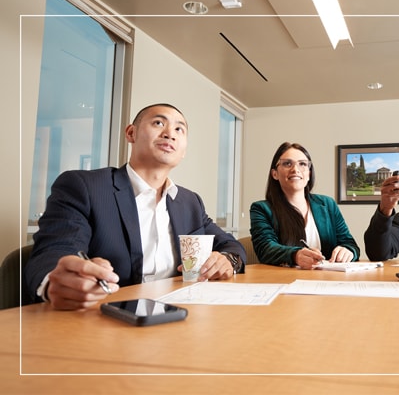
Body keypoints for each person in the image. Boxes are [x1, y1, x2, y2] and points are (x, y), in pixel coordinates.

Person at [25, 103, 246, 310]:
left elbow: (231, 245)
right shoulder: (84, 186)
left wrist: (227, 260)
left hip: (177, 316)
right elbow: (56, 250)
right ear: (131, 133)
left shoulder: (190, 202)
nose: (170, 133)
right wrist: (56, 280)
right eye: (159, 123)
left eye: (180, 129)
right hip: (105, 319)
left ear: (183, 150)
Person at [250, 142, 360, 269]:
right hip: (284, 281)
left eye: (302, 164)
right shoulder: (261, 209)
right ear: (274, 174)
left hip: (329, 281)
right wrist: (295, 255)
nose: (295, 169)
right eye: (287, 163)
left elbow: (350, 244)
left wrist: (348, 251)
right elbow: (265, 248)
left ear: (309, 173)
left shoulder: (328, 204)